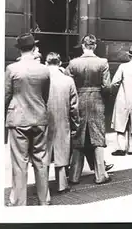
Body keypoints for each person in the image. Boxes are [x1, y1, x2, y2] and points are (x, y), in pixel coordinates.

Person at [5, 33, 51, 206]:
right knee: (41, 161)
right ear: (33, 48)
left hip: (18, 119)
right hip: (39, 117)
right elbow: (45, 95)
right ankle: (43, 200)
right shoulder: (44, 70)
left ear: (19, 49)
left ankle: (19, 203)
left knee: (19, 162)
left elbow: (6, 95)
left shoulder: (12, 69)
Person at [66, 34, 111, 185]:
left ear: (83, 46)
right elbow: (107, 86)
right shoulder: (102, 62)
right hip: (97, 100)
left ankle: (74, 176)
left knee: (78, 137)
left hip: (79, 99)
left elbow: (68, 84)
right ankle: (100, 175)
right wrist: (102, 97)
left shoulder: (73, 64)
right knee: (97, 138)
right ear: (95, 46)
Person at [45, 52, 79, 194]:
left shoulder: (42, 78)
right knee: (61, 151)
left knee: (43, 153)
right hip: (62, 119)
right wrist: (75, 124)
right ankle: (61, 185)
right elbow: (74, 106)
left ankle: (43, 186)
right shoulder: (68, 81)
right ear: (60, 63)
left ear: (46, 63)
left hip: (44, 120)